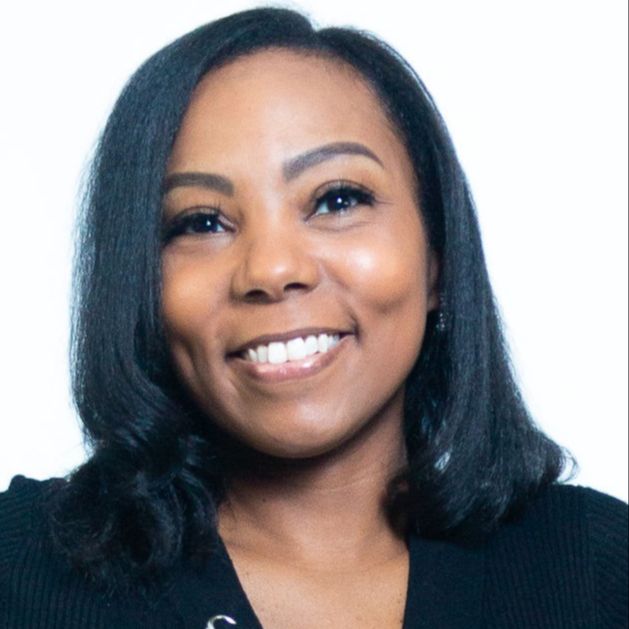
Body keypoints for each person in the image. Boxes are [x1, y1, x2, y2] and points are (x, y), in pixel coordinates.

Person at [0, 7, 626, 628]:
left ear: (437, 259)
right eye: (202, 222)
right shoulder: (19, 570)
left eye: (336, 200)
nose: (272, 270)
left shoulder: (597, 571)